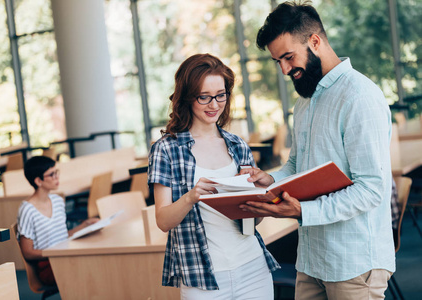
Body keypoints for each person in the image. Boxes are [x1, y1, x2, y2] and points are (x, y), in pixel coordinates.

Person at [239, 1, 395, 299]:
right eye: (278, 61)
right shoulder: (305, 102)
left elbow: (372, 189)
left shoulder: (359, 97)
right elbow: (298, 164)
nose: (285, 69)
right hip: (312, 259)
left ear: (315, 41)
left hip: (354, 263)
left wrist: (303, 211)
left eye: (288, 57)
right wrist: (270, 179)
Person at [148, 53, 279, 299]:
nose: (214, 104)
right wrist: (191, 197)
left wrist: (260, 201)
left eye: (221, 95)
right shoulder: (166, 149)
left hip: (252, 267)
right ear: (187, 97)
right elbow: (163, 221)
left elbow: (252, 223)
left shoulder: (237, 145)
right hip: (202, 277)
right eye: (204, 97)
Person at [17, 156, 99, 286]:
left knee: (99, 262)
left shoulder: (58, 201)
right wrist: (56, 253)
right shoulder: (27, 210)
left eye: (57, 172)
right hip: (49, 265)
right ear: (38, 181)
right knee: (95, 268)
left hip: (65, 256)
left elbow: (61, 237)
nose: (57, 177)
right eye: (52, 174)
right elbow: (27, 252)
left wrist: (85, 225)